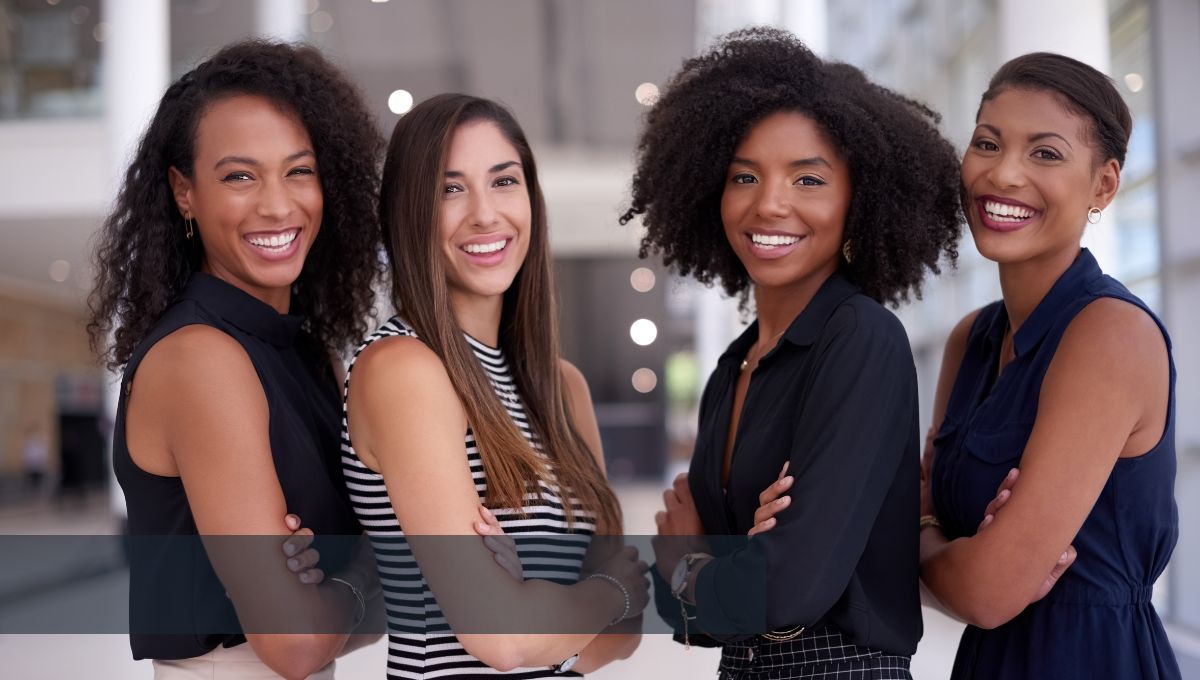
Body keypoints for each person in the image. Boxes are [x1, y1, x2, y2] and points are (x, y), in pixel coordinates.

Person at [624, 28, 963, 679]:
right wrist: (717, 574)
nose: (768, 203)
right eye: (743, 176)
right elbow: (679, 611)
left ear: (858, 202)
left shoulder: (862, 338)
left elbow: (787, 590)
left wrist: (693, 566)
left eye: (808, 179)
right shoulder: (733, 367)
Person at [88, 40, 384, 679]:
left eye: (299, 170)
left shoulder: (305, 350)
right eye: (239, 176)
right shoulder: (202, 359)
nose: (278, 205)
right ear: (184, 192)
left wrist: (345, 581)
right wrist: (379, 561)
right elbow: (296, 643)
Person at [340, 93, 647, 678]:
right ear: (410, 214)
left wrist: (534, 603)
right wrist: (608, 591)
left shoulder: (563, 387)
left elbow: (620, 642)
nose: (484, 213)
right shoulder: (402, 369)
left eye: (503, 182)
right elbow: (503, 640)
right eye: (449, 189)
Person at [919, 52, 1180, 679]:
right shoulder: (970, 339)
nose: (1002, 173)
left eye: (1045, 153)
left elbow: (985, 591)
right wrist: (943, 546)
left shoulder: (1110, 334)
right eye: (987, 143)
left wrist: (918, 538)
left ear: (1105, 185)